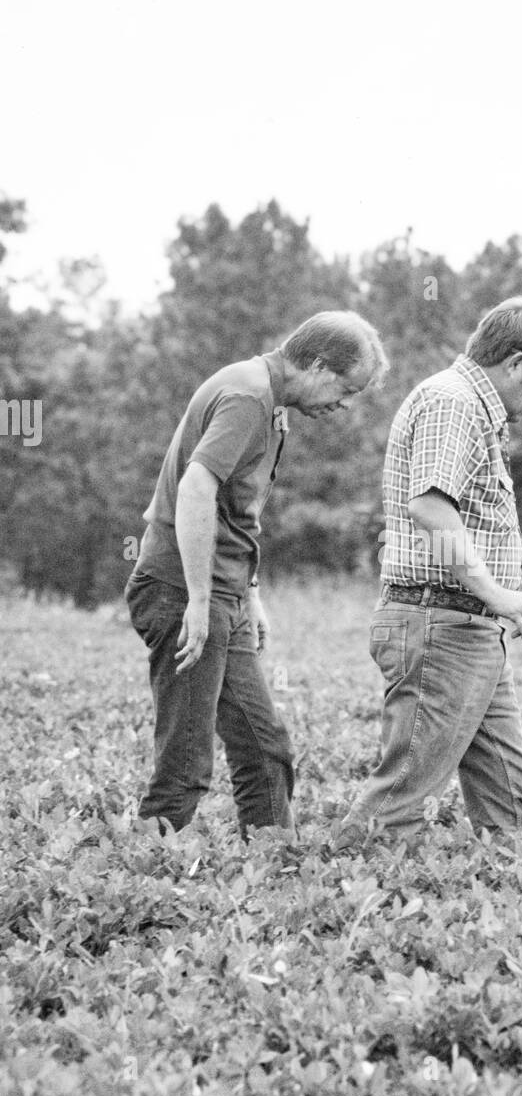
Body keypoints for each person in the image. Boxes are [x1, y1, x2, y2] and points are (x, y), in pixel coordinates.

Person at [126, 311, 388, 839]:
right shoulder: (247, 397)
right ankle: (134, 881)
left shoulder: (270, 403)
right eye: (345, 388)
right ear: (315, 364)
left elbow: (236, 509)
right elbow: (197, 487)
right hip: (183, 588)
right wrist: (199, 601)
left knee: (264, 745)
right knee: (186, 762)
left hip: (221, 589)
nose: (343, 404)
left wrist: (250, 590)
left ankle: (274, 863)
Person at [338, 296, 522, 849]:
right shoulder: (453, 403)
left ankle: (517, 865)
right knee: (398, 802)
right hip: (439, 622)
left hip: (468, 627)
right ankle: (346, 885)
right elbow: (430, 507)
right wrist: (496, 593)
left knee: (510, 804)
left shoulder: (472, 409)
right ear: (517, 363)